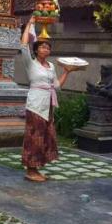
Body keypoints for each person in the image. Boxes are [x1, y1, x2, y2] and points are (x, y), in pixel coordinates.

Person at [20, 16, 75, 182]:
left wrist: (67, 71)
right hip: (35, 104)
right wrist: (29, 24)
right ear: (36, 50)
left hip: (48, 104)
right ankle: (30, 169)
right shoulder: (31, 63)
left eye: (48, 48)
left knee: (45, 136)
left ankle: (37, 167)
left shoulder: (51, 66)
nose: (45, 49)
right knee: (33, 136)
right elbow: (23, 46)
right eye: (42, 47)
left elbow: (56, 85)